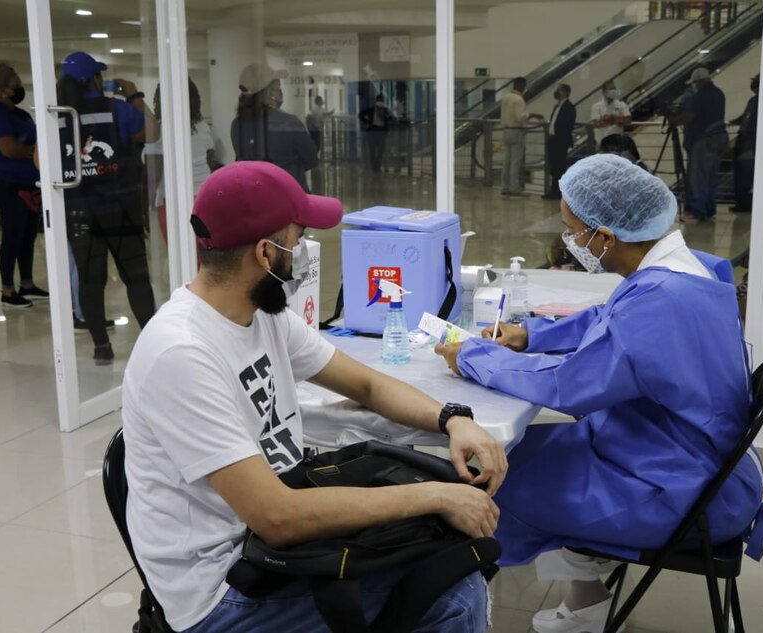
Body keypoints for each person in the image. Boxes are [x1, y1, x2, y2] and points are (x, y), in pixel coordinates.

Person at [121, 160, 507, 633]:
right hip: (223, 588)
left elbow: (366, 385)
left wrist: (453, 418)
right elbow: (277, 517)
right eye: (298, 238)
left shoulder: (261, 314)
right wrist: (433, 496)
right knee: (452, 594)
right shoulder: (181, 353)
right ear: (265, 252)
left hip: (274, 540)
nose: (302, 252)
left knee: (450, 551)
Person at [435, 154, 763, 633]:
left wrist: (471, 355)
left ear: (607, 236)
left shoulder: (661, 300)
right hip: (692, 463)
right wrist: (529, 336)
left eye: (573, 231)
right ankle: (587, 603)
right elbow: (609, 320)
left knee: (488, 480)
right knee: (527, 449)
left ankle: (452, 609)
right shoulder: (687, 269)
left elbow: (565, 387)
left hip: (681, 493)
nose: (569, 241)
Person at [56, 51, 158, 364]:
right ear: (95, 79)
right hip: (120, 208)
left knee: (90, 280)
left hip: (79, 210)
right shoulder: (116, 109)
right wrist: (135, 95)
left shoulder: (59, 115)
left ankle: (102, 348)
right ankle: (154, 344)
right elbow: (152, 132)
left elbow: (38, 160)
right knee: (136, 278)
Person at [0, 63, 48, 309]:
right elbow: (8, 149)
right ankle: (8, 290)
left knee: (28, 235)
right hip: (9, 184)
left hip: (29, 182)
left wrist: (33, 151)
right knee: (12, 236)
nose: (20, 90)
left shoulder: (20, 114)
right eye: (15, 86)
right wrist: (34, 151)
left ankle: (27, 284)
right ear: (1, 90)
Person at [143, 78, 216, 243]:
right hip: (203, 196)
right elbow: (210, 159)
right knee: (203, 250)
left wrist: (146, 205)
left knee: (178, 251)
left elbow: (153, 173)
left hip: (171, 199)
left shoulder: (158, 130)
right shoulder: (202, 126)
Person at [231, 63, 318, 191]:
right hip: (289, 196)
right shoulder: (289, 122)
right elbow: (312, 159)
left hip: (256, 197)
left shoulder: (237, 125)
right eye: (277, 89)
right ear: (268, 93)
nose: (280, 94)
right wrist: (288, 169)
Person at [673, 67, 728, 223]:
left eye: (695, 82)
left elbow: (689, 116)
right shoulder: (719, 93)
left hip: (704, 140)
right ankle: (710, 210)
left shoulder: (700, 95)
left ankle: (697, 212)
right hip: (720, 138)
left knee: (698, 178)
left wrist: (675, 120)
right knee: (711, 177)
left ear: (699, 81)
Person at [499, 77, 544, 196]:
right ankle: (514, 188)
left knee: (507, 161)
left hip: (506, 131)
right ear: (521, 85)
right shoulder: (518, 99)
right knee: (515, 162)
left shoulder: (505, 97)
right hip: (516, 131)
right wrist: (533, 115)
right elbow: (521, 117)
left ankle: (505, 187)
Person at [730, 74, 759, 213]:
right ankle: (741, 203)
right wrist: (734, 122)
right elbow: (745, 117)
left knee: (746, 177)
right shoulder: (753, 101)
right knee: (741, 176)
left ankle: (745, 204)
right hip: (744, 143)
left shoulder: (762, 102)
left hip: (751, 146)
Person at [543, 84, 577, 200]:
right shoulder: (557, 106)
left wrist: (561, 139)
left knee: (559, 167)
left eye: (560, 90)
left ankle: (559, 191)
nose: (557, 92)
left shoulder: (569, 107)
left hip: (560, 141)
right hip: (553, 139)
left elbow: (568, 126)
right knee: (553, 167)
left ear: (566, 92)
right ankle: (553, 190)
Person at [359, 93, 394, 172]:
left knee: (380, 150)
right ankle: (374, 166)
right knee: (372, 150)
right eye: (379, 101)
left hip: (382, 132)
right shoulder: (371, 110)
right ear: (376, 101)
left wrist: (388, 117)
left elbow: (391, 118)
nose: (380, 102)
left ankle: (378, 166)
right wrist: (367, 121)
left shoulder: (385, 110)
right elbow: (361, 115)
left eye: (381, 101)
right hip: (372, 131)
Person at [590, 81, 631, 146]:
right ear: (603, 92)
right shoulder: (596, 106)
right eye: (611, 89)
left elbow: (628, 120)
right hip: (602, 142)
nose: (613, 91)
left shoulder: (621, 105)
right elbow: (596, 123)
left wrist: (612, 118)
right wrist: (613, 119)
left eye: (614, 89)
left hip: (618, 142)